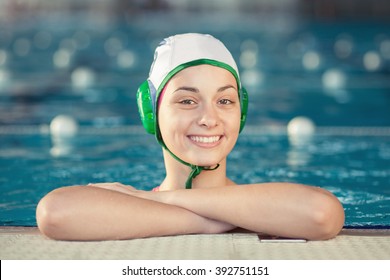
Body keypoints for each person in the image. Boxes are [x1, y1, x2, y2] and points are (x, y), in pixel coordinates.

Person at [36, 33, 345, 241]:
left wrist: (156, 199)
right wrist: (215, 220)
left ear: (242, 111)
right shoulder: (263, 211)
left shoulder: (139, 201)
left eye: (225, 101)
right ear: (151, 112)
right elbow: (54, 212)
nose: (209, 119)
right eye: (187, 101)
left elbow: (322, 213)